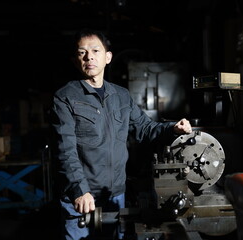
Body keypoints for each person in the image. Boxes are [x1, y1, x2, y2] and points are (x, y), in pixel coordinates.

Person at [50, 28, 192, 240]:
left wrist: (172, 129)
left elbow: (145, 128)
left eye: (95, 50)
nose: (89, 56)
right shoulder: (65, 97)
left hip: (115, 194)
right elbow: (64, 149)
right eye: (82, 52)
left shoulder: (121, 96)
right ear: (75, 60)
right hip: (80, 197)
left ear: (107, 57)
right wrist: (78, 189)